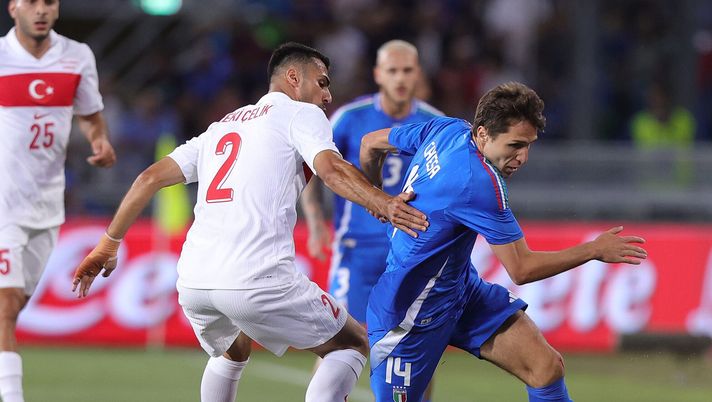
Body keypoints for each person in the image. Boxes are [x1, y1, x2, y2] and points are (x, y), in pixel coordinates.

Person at [71, 42, 428, 402]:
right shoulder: (300, 114)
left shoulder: (220, 127)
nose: (327, 94)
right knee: (351, 344)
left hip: (195, 281)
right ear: (293, 78)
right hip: (257, 276)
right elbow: (331, 170)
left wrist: (108, 244)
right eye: (321, 83)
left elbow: (148, 177)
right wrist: (385, 203)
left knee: (233, 349)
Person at [359, 82, 648, 402]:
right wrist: (593, 249)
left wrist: (379, 201)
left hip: (459, 291)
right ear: (483, 134)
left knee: (544, 367)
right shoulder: (479, 183)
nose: (523, 157)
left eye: (529, 145)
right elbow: (521, 269)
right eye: (514, 145)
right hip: (408, 312)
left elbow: (371, 144)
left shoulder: (448, 129)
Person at [300, 39, 442, 400]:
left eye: (407, 70)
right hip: (357, 250)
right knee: (338, 341)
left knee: (415, 350)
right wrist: (316, 222)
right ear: (379, 75)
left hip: (411, 253)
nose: (400, 78)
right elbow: (309, 170)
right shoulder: (350, 119)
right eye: (392, 71)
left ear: (417, 75)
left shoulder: (435, 124)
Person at [0, 1, 116, 401]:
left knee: (15, 306)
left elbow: (90, 114)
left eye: (48, 1)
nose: (41, 10)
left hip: (47, 206)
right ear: (13, 7)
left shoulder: (76, 56)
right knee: (5, 303)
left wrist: (99, 139)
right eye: (31, 2)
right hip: (3, 204)